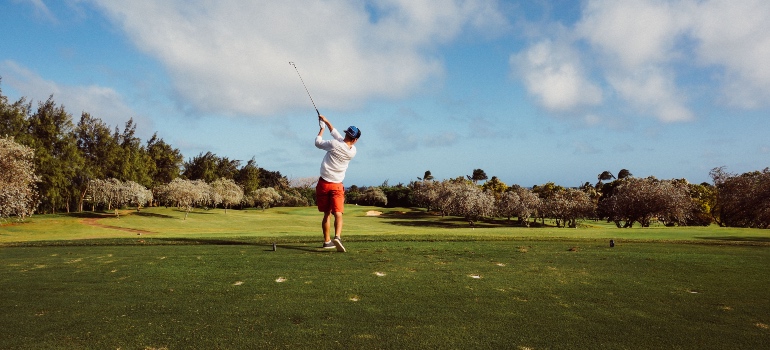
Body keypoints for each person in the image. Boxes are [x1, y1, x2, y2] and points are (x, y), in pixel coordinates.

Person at [315, 115, 361, 252]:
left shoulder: (334, 144)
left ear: (347, 134)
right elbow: (337, 136)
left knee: (327, 214)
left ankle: (327, 241)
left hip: (323, 184)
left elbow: (318, 142)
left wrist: (322, 129)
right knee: (339, 213)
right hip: (337, 185)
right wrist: (327, 121)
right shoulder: (353, 151)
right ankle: (338, 237)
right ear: (355, 140)